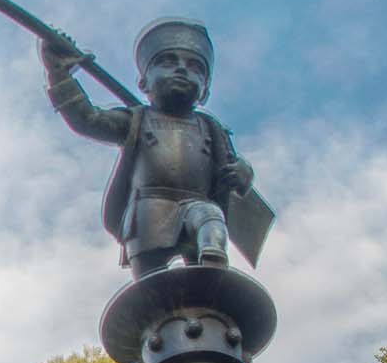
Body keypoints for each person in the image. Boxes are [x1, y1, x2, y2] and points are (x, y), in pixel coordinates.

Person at [42, 16, 258, 275]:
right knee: (149, 276)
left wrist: (244, 174)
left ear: (204, 93)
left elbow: (231, 168)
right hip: (148, 211)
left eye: (194, 67)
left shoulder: (211, 129)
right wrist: (58, 72)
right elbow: (87, 120)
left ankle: (211, 268)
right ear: (143, 83)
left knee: (210, 218)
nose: (181, 70)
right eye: (168, 62)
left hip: (196, 202)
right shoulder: (136, 120)